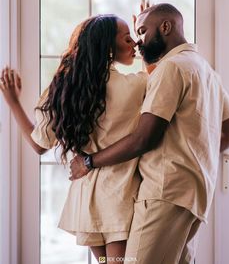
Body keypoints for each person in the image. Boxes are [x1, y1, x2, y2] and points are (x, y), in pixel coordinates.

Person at [69, 3, 229, 264]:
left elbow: (144, 138)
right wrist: (195, 153)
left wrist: (89, 162)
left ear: (166, 27)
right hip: (194, 196)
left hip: (164, 192)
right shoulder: (204, 69)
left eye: (142, 31)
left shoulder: (171, 68)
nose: (137, 41)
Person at [0, 14, 147, 264]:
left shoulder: (67, 86)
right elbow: (159, 73)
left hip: (85, 201)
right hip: (119, 198)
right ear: (108, 47)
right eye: (128, 38)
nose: (134, 43)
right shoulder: (133, 86)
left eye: (135, 38)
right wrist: (149, 35)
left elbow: (38, 145)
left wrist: (13, 102)